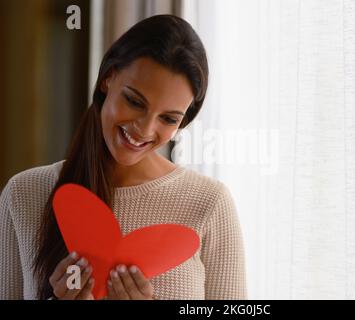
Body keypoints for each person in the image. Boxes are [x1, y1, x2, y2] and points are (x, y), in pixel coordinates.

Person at [0, 15, 247, 300]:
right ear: (108, 78)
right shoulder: (23, 194)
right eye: (134, 101)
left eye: (168, 118)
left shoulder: (209, 203)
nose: (144, 129)